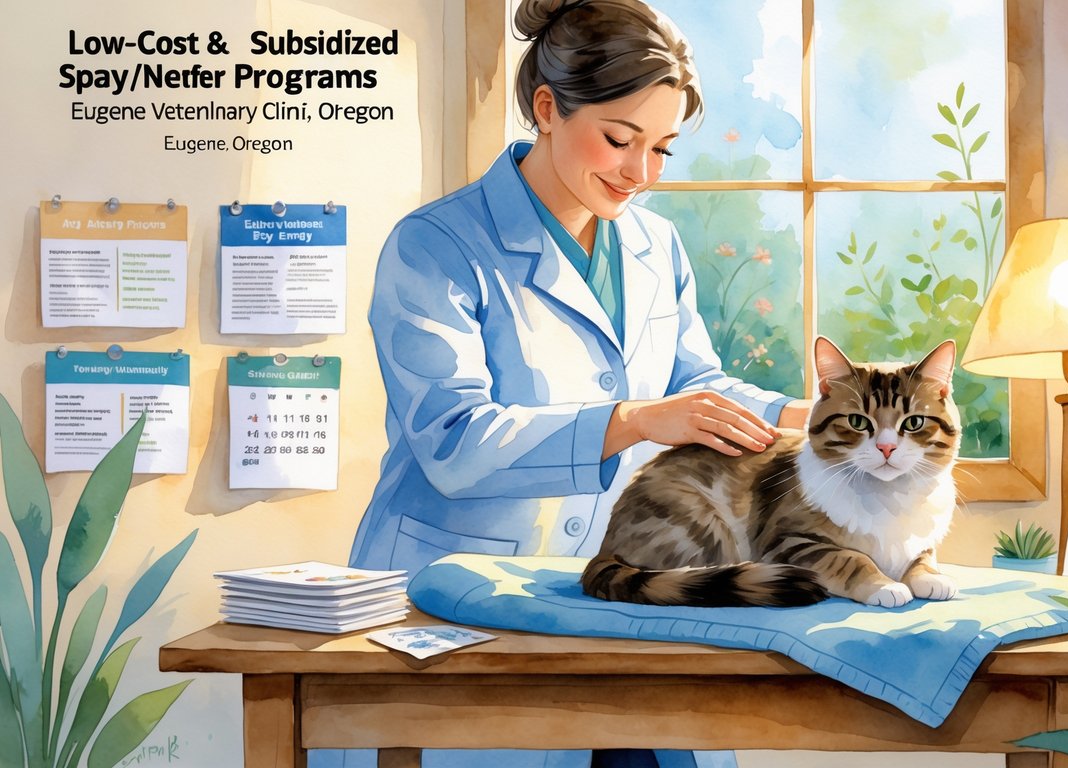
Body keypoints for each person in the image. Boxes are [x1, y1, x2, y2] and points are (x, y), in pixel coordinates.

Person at [332, 1, 811, 766]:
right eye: (620, 140)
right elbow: (452, 441)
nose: (640, 174)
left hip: (628, 593)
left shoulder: (654, 243)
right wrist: (631, 421)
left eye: (662, 149)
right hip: (462, 595)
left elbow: (694, 385)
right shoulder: (435, 246)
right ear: (547, 108)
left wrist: (810, 416)